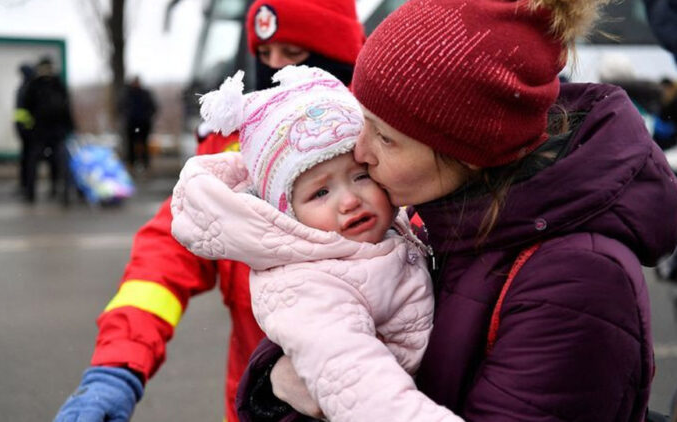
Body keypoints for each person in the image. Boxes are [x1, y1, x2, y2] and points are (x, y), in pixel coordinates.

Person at [236, 0, 677, 421]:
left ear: (466, 149)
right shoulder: (437, 216)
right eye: (362, 121)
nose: (360, 151)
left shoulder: (575, 283)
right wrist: (276, 383)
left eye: (386, 138)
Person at [53, 1, 365, 422]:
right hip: (255, 405)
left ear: (340, 57)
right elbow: (165, 257)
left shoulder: (384, 139)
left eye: (292, 56)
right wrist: (117, 367)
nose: (272, 71)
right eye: (264, 55)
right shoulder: (231, 149)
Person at [172, 66, 440, 422]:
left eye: (361, 176)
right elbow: (357, 384)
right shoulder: (308, 283)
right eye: (320, 192)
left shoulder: (393, 231)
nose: (349, 201)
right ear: (288, 213)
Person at [22, 56, 74, 203]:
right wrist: (29, 129)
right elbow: (26, 109)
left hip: (56, 132)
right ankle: (30, 193)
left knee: (60, 163)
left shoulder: (58, 85)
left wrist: (69, 127)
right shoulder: (34, 86)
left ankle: (60, 191)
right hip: (39, 132)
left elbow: (65, 108)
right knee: (33, 163)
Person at [120, 76, 158, 172]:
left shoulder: (145, 94)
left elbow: (153, 107)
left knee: (144, 144)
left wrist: (147, 116)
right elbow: (120, 108)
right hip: (131, 124)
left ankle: (145, 164)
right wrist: (127, 116)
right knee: (130, 145)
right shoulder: (127, 94)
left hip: (143, 124)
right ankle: (131, 164)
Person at [13, 63, 35, 194]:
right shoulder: (27, 86)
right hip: (25, 129)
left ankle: (26, 186)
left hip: (27, 130)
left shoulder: (28, 87)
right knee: (26, 159)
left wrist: (24, 127)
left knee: (28, 160)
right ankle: (25, 185)